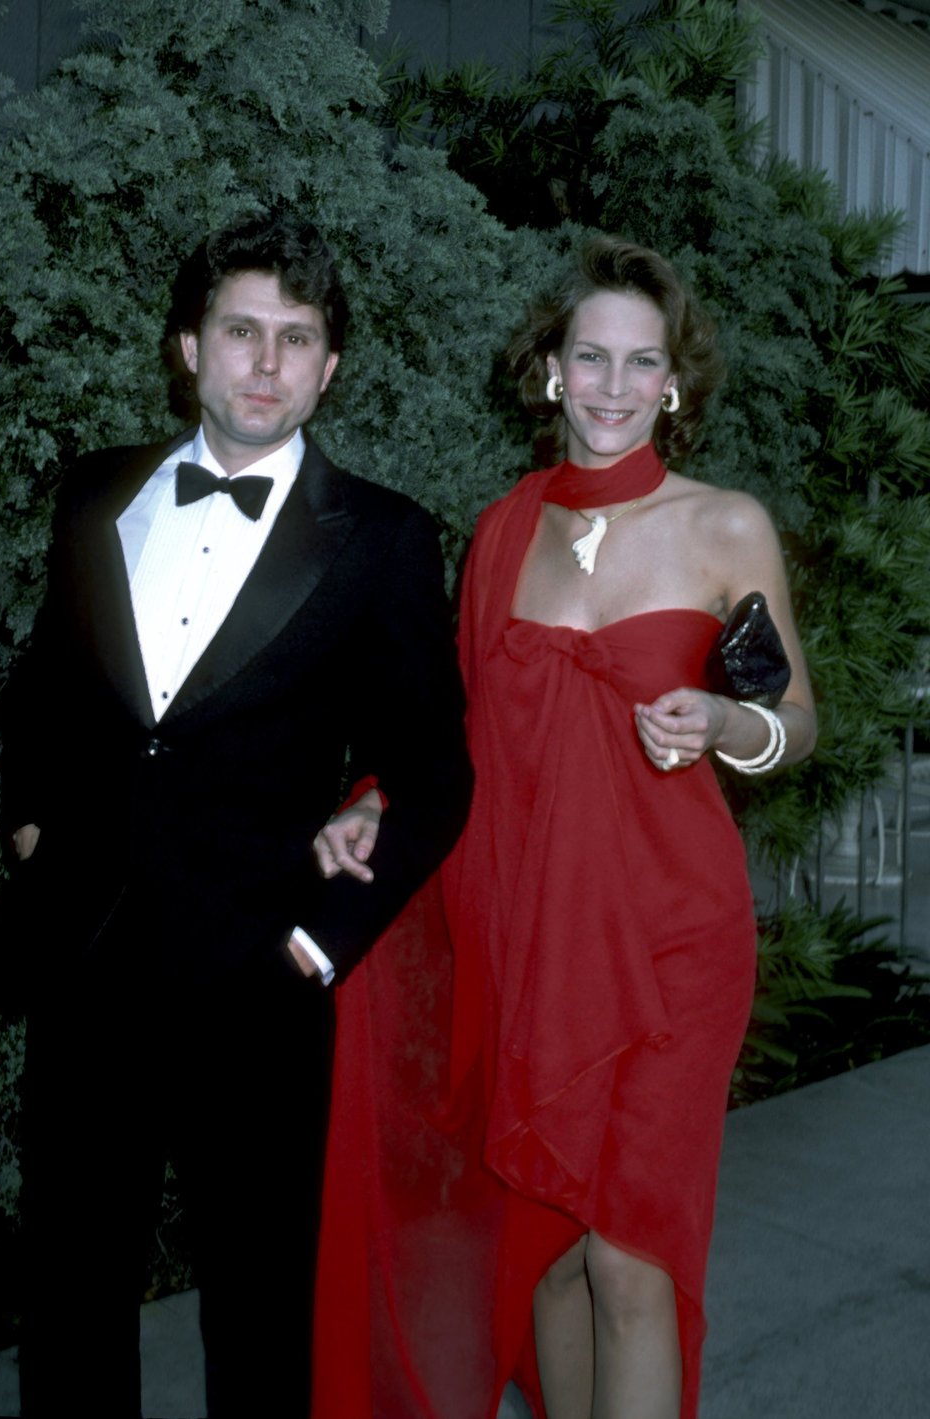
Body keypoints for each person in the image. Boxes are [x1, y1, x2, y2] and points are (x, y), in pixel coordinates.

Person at [312, 236, 816, 1419]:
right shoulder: (501, 532)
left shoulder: (723, 528)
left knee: (627, 1261)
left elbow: (794, 720)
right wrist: (381, 797)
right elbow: (466, 726)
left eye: (640, 363)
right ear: (551, 368)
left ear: (673, 383)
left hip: (669, 945)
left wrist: (727, 729)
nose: (611, 385)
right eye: (589, 356)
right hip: (531, 940)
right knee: (541, 1261)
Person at [0, 210, 473, 1418]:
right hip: (85, 962)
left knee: (260, 1321)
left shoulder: (385, 540)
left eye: (294, 338)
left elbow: (437, 777)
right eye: (240, 330)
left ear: (329, 367)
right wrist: (34, 825)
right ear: (187, 348)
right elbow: (42, 690)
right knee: (70, 1302)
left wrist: (319, 946)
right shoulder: (94, 493)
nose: (265, 361)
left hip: (257, 988)